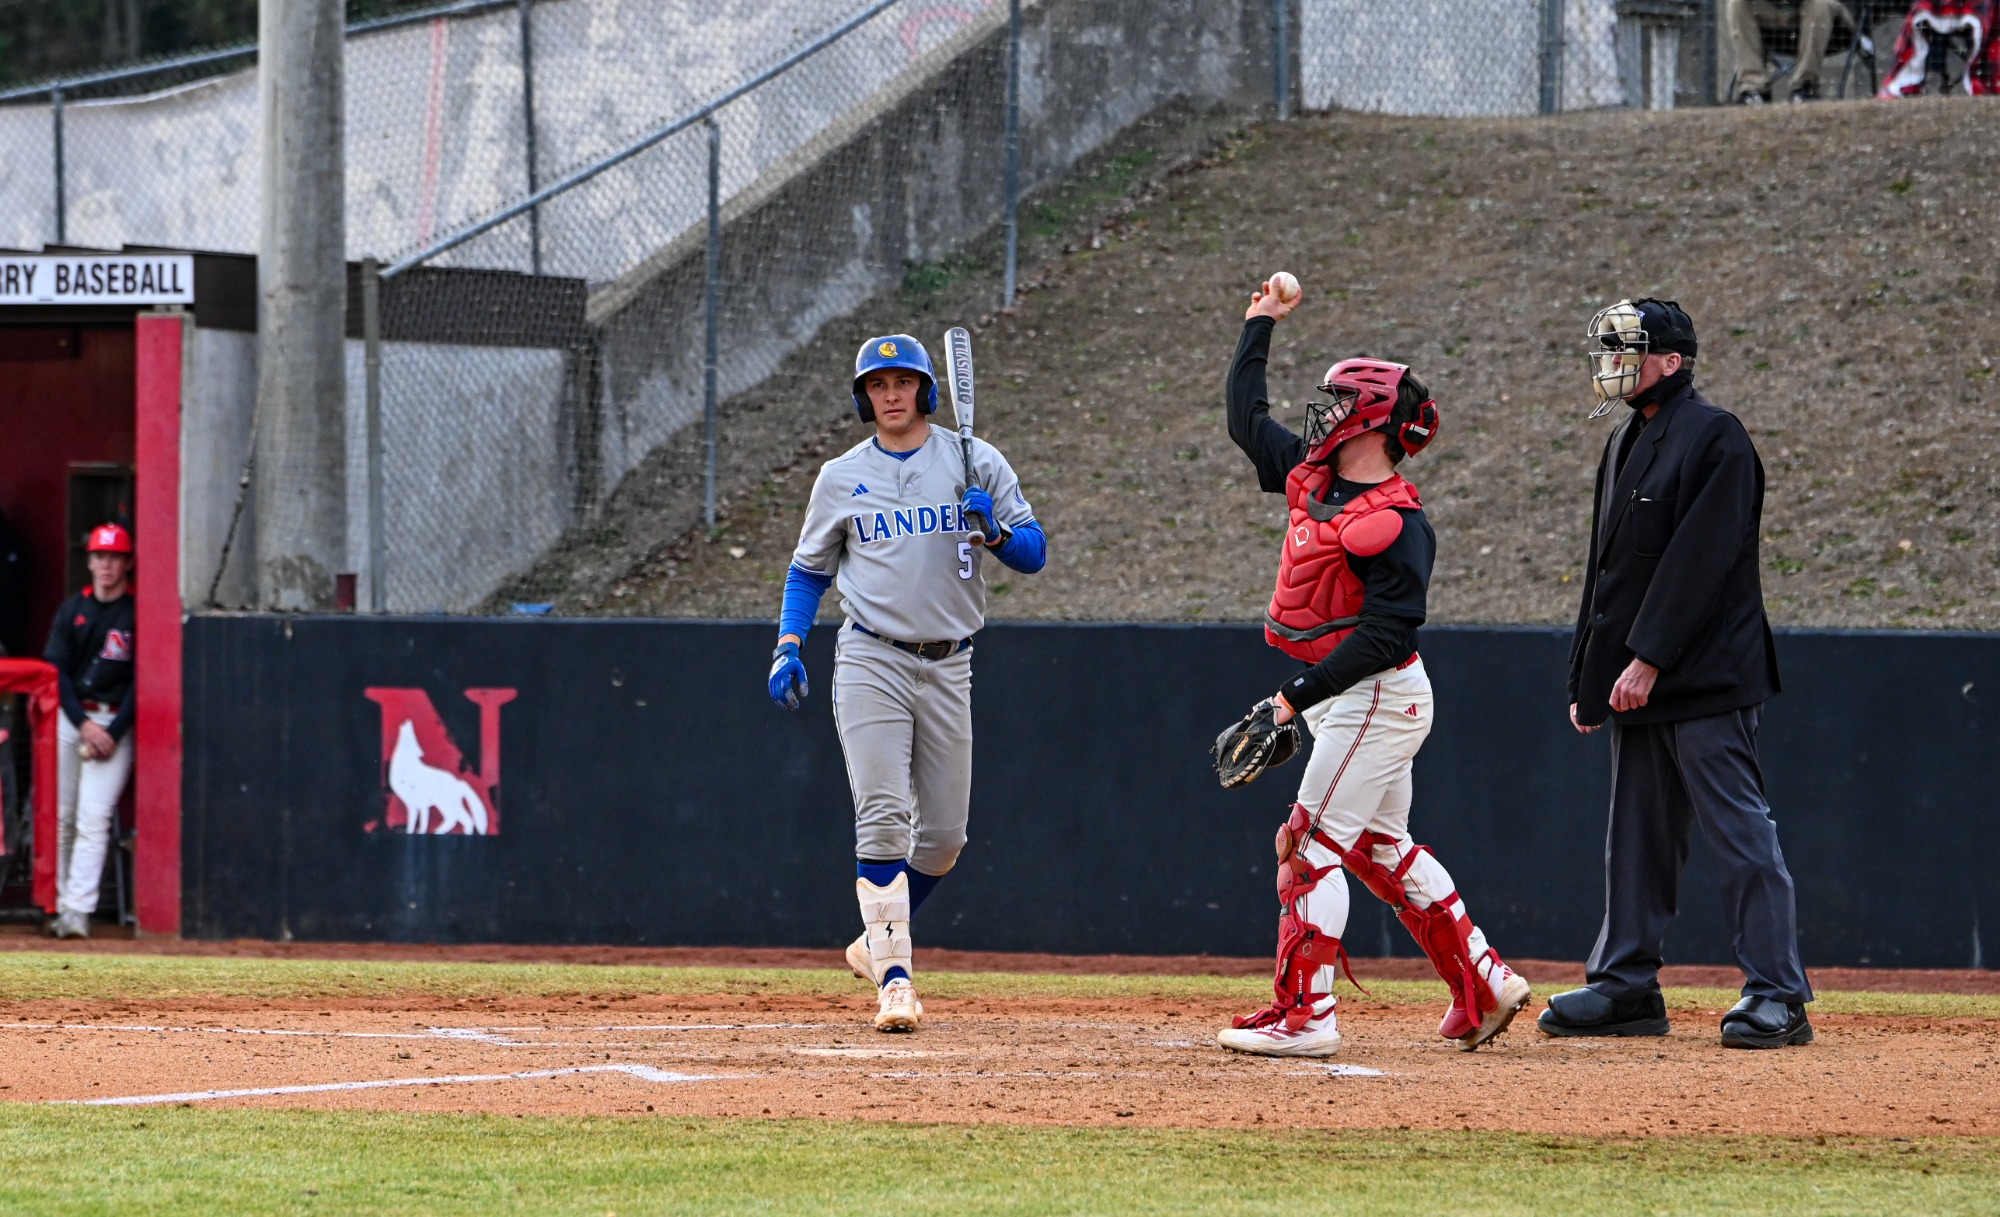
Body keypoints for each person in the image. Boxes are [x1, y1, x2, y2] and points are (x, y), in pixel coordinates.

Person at [1213, 278, 1531, 1059]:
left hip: (1376, 697)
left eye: (1338, 400)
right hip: (1345, 701)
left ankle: (1307, 1014)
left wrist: (1292, 700)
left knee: (1306, 847)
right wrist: (1259, 325)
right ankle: (1484, 981)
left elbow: (1386, 638)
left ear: (1372, 420)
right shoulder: (1313, 474)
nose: (1321, 411)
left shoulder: (1397, 519)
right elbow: (1245, 420)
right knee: (1381, 849)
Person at [1545, 298, 1812, 1049]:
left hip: (1703, 679)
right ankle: (1626, 987)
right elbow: (1609, 576)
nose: (1611, 367)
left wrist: (1649, 658)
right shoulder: (1629, 440)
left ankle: (1778, 993)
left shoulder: (1715, 435)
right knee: (1635, 839)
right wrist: (1588, 679)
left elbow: (1703, 559)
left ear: (1672, 360)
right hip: (1637, 679)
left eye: (1627, 351)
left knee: (1739, 833)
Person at [768, 334, 1046, 1033]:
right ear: (863, 396)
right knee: (884, 813)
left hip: (951, 659)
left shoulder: (973, 459)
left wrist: (996, 533)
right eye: (876, 383)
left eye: (903, 381)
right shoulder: (840, 475)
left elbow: (1035, 552)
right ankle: (896, 978)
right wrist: (789, 642)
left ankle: (874, 939)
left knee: (946, 836)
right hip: (872, 656)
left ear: (926, 389)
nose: (890, 394)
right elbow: (809, 570)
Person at [43, 522, 138, 939]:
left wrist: (112, 732)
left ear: (127, 563)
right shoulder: (72, 609)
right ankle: (61, 905)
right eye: (100, 556)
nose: (106, 565)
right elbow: (56, 673)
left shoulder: (136, 611)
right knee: (62, 816)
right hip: (74, 718)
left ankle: (79, 910)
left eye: (115, 557)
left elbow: (143, 680)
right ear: (90, 561)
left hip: (115, 722)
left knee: (92, 817)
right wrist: (82, 723)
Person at [1728, 0, 1847, 102]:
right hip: (1772, 13)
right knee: (1737, 3)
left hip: (1825, 18)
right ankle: (1753, 89)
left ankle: (1805, 86)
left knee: (1820, 3)